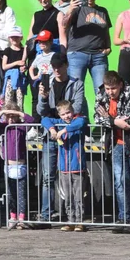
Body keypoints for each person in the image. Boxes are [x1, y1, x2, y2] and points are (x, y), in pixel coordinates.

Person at [94, 72, 130, 231]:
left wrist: (109, 118)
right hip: (115, 143)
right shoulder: (101, 94)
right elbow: (96, 117)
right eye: (108, 88)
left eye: (113, 88)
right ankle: (124, 217)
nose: (110, 92)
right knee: (120, 181)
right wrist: (115, 121)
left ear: (120, 85)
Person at [62, 0, 112, 96]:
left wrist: (109, 47)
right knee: (75, 91)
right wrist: (70, 10)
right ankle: (78, 115)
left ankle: (102, 115)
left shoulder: (102, 11)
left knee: (102, 92)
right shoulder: (77, 9)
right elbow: (64, 25)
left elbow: (106, 32)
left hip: (98, 57)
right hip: (77, 55)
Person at [0, 102, 35, 229]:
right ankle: (12, 216)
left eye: (13, 116)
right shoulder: (4, 127)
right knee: (10, 193)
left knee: (21, 194)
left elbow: (31, 121)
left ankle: (21, 217)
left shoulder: (21, 127)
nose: (11, 119)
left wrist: (18, 113)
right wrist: (1, 113)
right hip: (8, 165)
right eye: (8, 116)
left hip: (20, 165)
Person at [45, 99, 88, 231]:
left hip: (78, 166)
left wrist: (63, 131)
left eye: (68, 113)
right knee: (68, 196)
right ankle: (70, 220)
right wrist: (52, 129)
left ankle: (80, 221)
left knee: (79, 196)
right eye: (63, 114)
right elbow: (45, 120)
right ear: (59, 115)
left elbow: (79, 123)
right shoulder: (59, 122)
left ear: (72, 111)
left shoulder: (79, 120)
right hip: (64, 168)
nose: (66, 116)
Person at [28, 30, 57, 117]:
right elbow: (31, 68)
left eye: (44, 41)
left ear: (51, 42)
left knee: (53, 105)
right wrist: (34, 77)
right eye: (40, 41)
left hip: (53, 84)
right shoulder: (39, 56)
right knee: (42, 105)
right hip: (42, 85)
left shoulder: (54, 55)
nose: (41, 43)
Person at [0, 26, 29, 107]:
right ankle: (8, 117)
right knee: (8, 102)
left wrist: (24, 68)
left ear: (21, 38)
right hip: (10, 79)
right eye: (12, 37)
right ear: (9, 38)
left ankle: (20, 118)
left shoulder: (23, 50)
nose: (14, 39)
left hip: (20, 79)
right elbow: (4, 66)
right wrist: (16, 63)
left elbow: (24, 63)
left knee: (20, 102)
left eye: (17, 37)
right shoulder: (7, 50)